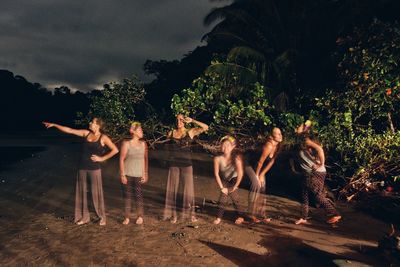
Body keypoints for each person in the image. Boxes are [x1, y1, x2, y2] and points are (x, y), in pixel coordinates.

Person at [43, 118, 118, 225]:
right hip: (82, 167)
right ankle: (84, 217)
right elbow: (69, 130)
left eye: (92, 122)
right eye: (91, 122)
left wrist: (102, 158)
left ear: (98, 125)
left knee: (96, 194)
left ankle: (102, 217)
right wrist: (55, 124)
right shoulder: (86, 133)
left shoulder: (103, 137)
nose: (90, 123)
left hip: (94, 168)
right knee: (82, 193)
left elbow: (115, 150)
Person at [163, 114, 208, 223]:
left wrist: (192, 120)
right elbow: (166, 147)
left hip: (186, 164)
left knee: (188, 191)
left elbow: (206, 127)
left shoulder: (190, 132)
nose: (178, 122)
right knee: (172, 190)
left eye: (181, 120)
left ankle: (191, 215)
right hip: (174, 164)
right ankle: (174, 215)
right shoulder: (171, 133)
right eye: (177, 120)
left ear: (184, 121)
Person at [294, 121, 341, 225]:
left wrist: (321, 164)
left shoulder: (306, 140)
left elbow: (319, 149)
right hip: (309, 173)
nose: (295, 128)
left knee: (317, 195)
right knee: (304, 194)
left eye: (298, 127)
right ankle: (303, 217)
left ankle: (335, 213)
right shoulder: (301, 141)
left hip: (316, 172)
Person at [246, 127, 283, 223]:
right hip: (250, 165)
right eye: (277, 134)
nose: (280, 135)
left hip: (259, 168)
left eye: (280, 133)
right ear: (271, 136)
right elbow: (260, 162)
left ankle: (262, 214)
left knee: (262, 189)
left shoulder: (278, 146)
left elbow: (271, 162)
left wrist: (262, 174)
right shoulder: (269, 146)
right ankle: (251, 214)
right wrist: (257, 176)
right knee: (256, 185)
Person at [119, 122, 148, 225]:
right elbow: (121, 159)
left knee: (138, 196)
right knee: (127, 196)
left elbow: (144, 159)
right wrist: (122, 175)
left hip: (138, 174)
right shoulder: (127, 144)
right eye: (140, 130)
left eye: (141, 130)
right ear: (134, 132)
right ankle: (127, 217)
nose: (142, 132)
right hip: (127, 173)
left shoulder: (143, 144)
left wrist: (145, 173)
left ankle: (140, 216)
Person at [213, 136, 244, 225]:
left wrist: (235, 187)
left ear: (232, 147)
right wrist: (222, 187)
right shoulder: (217, 159)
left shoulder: (236, 158)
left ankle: (241, 216)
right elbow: (216, 174)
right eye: (224, 145)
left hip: (235, 179)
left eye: (228, 145)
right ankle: (218, 217)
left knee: (235, 198)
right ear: (221, 146)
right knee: (223, 196)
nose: (225, 147)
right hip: (224, 179)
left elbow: (240, 173)